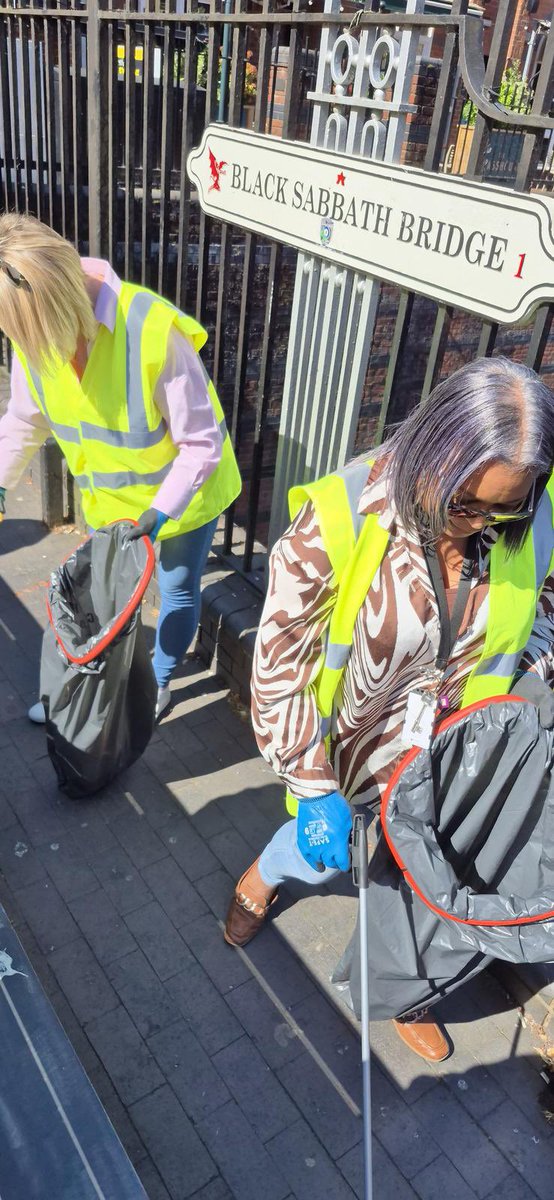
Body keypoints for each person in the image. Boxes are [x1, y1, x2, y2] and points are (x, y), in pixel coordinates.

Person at [224, 356, 554, 1062]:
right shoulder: (342, 516)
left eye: (506, 507)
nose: (479, 526)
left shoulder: (532, 514)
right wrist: (309, 786)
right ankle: (263, 879)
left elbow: (547, 606)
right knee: (320, 860)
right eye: (467, 503)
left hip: (453, 759)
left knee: (417, 885)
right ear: (435, 448)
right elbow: (280, 665)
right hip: (350, 758)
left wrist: (528, 677)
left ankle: (406, 990)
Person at [0, 214, 241, 721]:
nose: (29, 347)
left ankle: (158, 680)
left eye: (30, 333)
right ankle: (85, 689)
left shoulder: (152, 330)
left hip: (181, 496)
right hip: (111, 505)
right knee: (102, 599)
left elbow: (200, 443)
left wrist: (160, 512)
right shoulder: (30, 328)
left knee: (176, 588)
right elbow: (24, 418)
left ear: (58, 298)